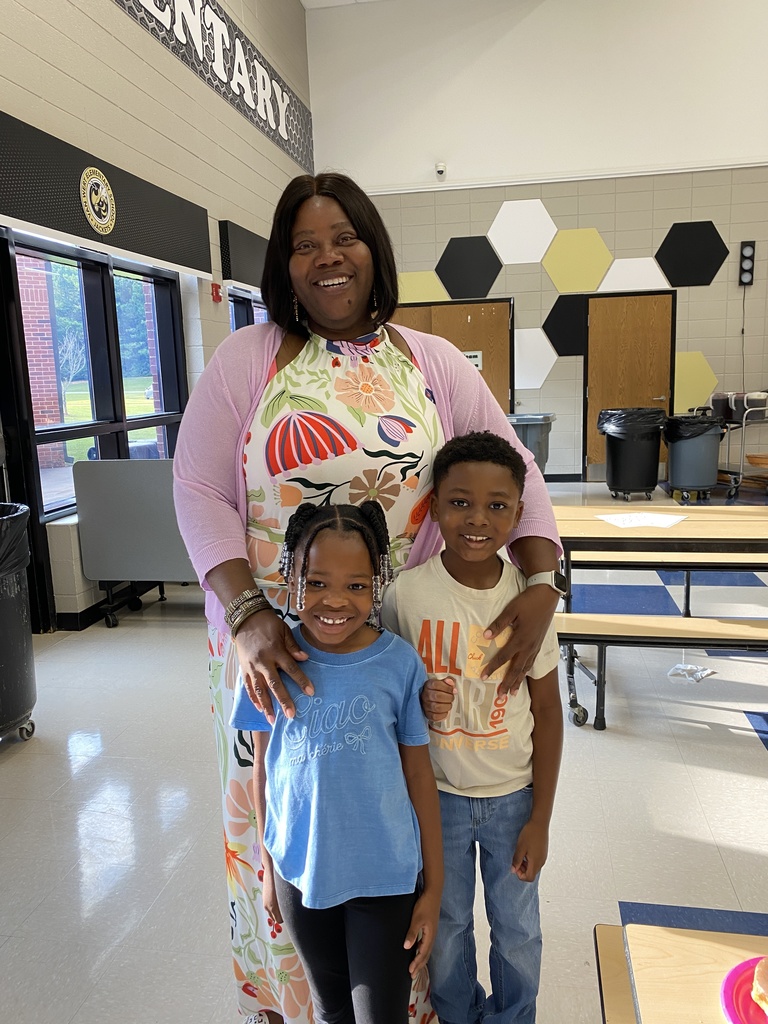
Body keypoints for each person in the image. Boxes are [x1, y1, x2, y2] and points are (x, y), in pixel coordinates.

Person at [173, 170, 562, 1022]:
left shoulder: (430, 363)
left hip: (393, 649)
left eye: (343, 237)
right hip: (272, 653)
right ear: (283, 263)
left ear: (373, 248)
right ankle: (295, 1000)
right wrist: (246, 616)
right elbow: (198, 489)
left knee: (393, 825)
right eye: (303, 245)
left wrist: (542, 583)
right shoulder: (247, 357)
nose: (327, 259)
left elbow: (515, 473)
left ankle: (405, 1001)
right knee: (287, 824)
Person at [231, 500, 442, 1024]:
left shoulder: (397, 662)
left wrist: (434, 888)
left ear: (376, 585)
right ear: (289, 577)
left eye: (356, 585)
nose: (335, 601)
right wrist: (267, 869)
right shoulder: (268, 664)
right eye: (318, 581)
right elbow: (263, 772)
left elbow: (419, 775)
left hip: (385, 878)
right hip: (299, 874)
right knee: (330, 1011)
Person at [381, 431, 563, 1024]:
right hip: (437, 801)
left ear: (518, 511)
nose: (477, 519)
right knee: (450, 928)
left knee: (517, 931)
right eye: (460, 502)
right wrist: (417, 694)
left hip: (514, 800)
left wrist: (540, 817)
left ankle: (515, 1017)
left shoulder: (530, 601)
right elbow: (390, 689)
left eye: (497, 505)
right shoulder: (407, 594)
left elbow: (550, 711)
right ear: (433, 507)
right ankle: (459, 1017)